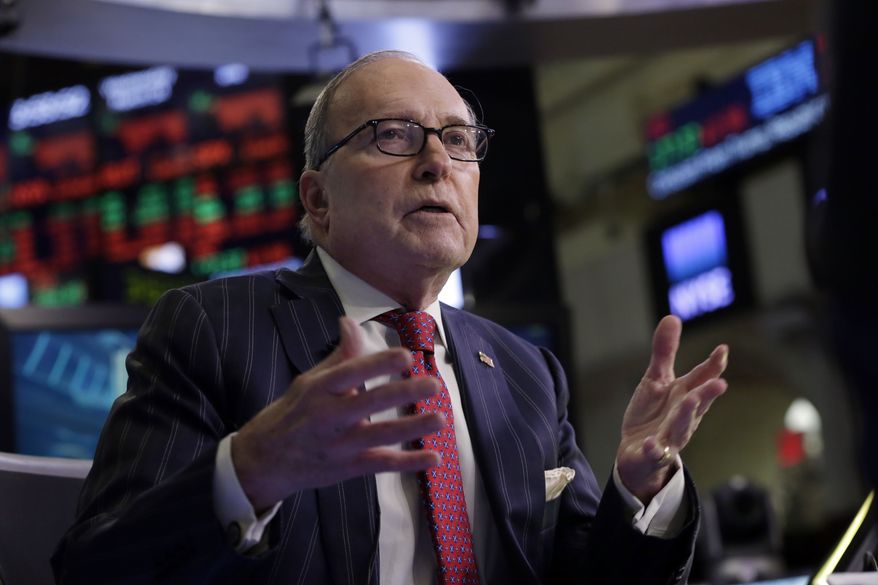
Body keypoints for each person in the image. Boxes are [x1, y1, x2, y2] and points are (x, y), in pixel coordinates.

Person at [53, 50, 728, 584]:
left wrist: (643, 490)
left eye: (459, 139)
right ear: (318, 200)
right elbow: (97, 566)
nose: (437, 162)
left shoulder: (526, 372)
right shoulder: (211, 328)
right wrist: (251, 469)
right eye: (394, 136)